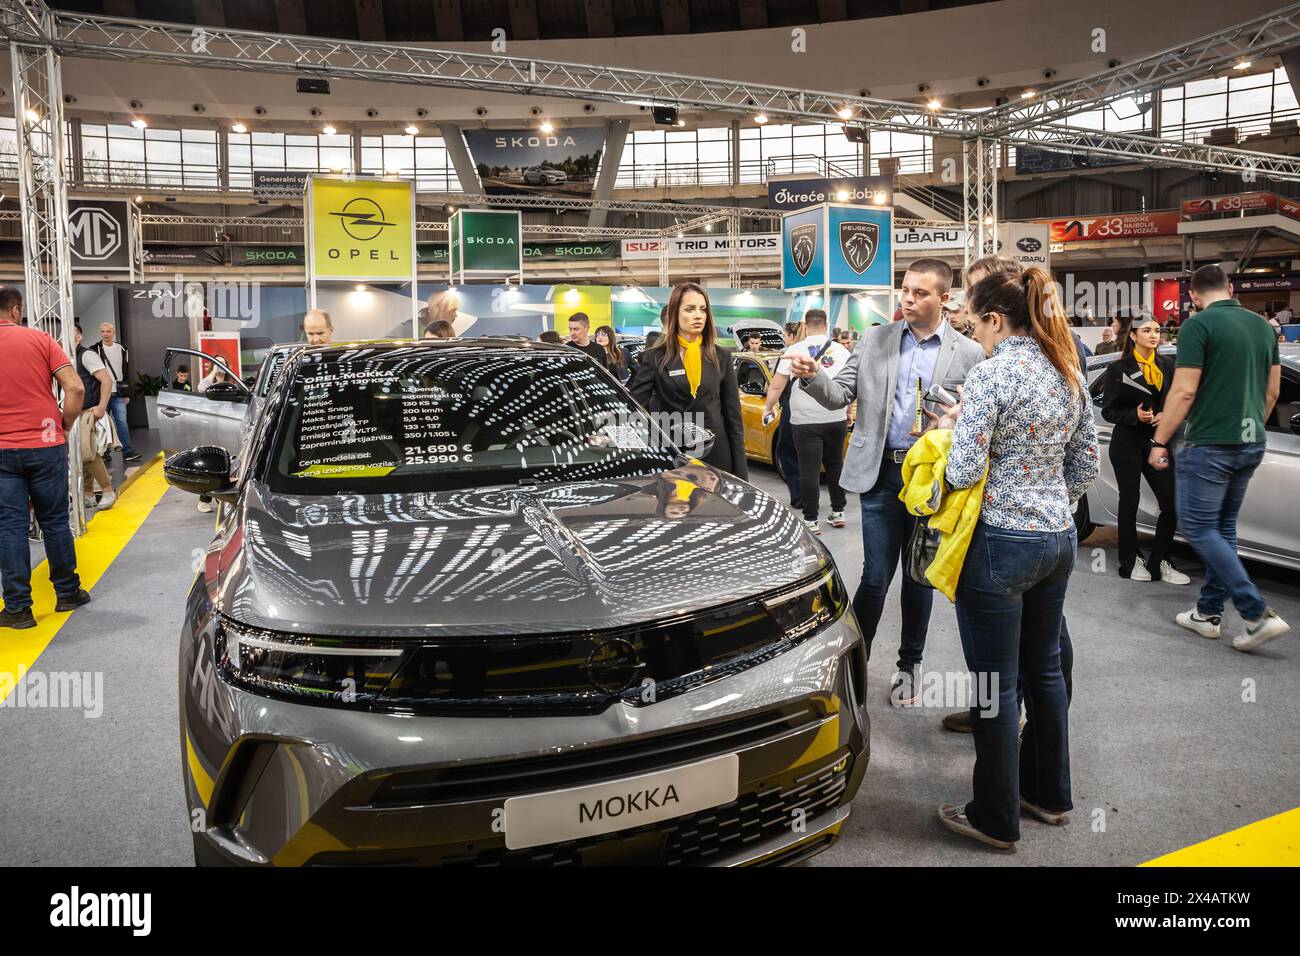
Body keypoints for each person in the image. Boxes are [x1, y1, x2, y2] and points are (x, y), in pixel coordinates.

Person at [932, 267, 1099, 850]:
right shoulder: (1068, 369)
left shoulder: (991, 374)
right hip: (1058, 539)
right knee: (1046, 671)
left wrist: (950, 429)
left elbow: (962, 471)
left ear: (997, 321)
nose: (974, 334)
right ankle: (1048, 795)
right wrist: (1052, 503)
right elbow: (1086, 467)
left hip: (1001, 542)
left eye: (975, 324)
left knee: (994, 686)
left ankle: (994, 817)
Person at [791, 258, 984, 706]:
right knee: (875, 577)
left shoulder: (969, 353)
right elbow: (840, 394)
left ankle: (909, 668)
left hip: (930, 478)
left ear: (944, 298)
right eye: (905, 290)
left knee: (918, 578)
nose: (908, 299)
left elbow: (974, 419)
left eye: (920, 293)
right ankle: (853, 665)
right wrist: (813, 377)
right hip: (879, 474)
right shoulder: (875, 339)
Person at [1149, 265, 1289, 652]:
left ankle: (1255, 612)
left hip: (1209, 444)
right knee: (1222, 527)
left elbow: (1184, 391)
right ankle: (1207, 614)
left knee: (1198, 528)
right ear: (1231, 288)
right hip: (1251, 441)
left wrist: (1159, 441)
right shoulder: (1263, 326)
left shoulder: (1198, 325)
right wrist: (1247, 429)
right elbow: (1272, 391)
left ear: (1193, 296)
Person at [0, 288, 91, 629]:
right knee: (54, 521)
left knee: (10, 527)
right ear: (16, 309)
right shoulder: (40, 339)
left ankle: (18, 609)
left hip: (2, 451)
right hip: (45, 443)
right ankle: (68, 592)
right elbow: (76, 388)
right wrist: (63, 425)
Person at [1101, 314, 1187, 585]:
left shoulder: (1168, 366)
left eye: (1157, 330)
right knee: (1130, 501)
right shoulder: (1118, 369)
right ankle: (1129, 560)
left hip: (1157, 443)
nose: (1153, 335)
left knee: (1170, 503)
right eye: (1147, 330)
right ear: (1133, 335)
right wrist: (1135, 416)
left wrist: (1166, 415)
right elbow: (1108, 410)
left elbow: (1179, 402)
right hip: (1127, 442)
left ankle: (1160, 559)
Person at [630, 283, 747, 479]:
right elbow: (634, 406)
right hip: (672, 452)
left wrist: (741, 472)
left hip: (716, 453)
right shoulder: (655, 357)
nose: (698, 315)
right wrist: (605, 432)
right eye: (690, 309)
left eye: (703, 309)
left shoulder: (722, 357)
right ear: (675, 313)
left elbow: (734, 418)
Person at [764, 309, 849, 534]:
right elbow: (850, 386)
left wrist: (768, 407)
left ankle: (811, 520)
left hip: (804, 421)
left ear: (805, 324)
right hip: (836, 417)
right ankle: (838, 512)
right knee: (835, 464)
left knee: (808, 469)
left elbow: (776, 385)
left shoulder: (794, 350)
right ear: (827, 323)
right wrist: (848, 411)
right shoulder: (842, 351)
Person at [74, 324, 117, 513]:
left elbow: (107, 380)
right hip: (74, 413)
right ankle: (88, 494)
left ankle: (107, 490)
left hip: (87, 412)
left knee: (87, 452)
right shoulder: (69, 356)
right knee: (81, 456)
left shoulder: (86, 355)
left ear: (79, 336)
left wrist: (101, 406)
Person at [765, 321, 804, 511]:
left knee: (786, 452)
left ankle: (798, 496)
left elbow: (774, 385)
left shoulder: (787, 355)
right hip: (818, 412)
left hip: (791, 408)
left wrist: (769, 407)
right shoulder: (814, 351)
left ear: (789, 336)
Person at [93, 321, 141, 463]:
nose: (105, 334)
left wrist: (127, 393)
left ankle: (127, 451)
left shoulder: (121, 349)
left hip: (119, 393)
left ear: (113, 333)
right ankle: (104, 452)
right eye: (103, 331)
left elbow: (126, 371)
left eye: (108, 331)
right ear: (100, 333)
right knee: (102, 423)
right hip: (103, 393)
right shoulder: (94, 349)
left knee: (122, 422)